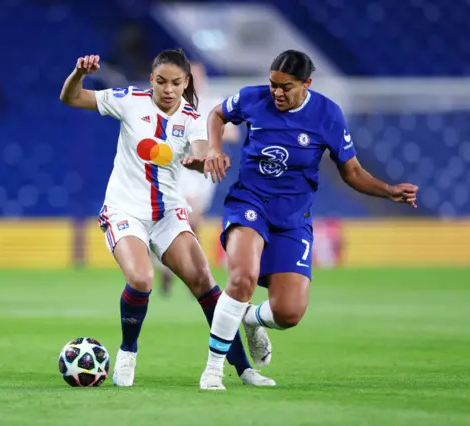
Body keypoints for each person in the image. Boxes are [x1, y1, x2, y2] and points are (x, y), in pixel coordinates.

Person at [199, 50, 419, 390]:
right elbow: (216, 114)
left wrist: (387, 190)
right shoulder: (251, 98)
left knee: (288, 313)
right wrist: (214, 149)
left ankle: (250, 318)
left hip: (292, 218)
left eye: (285, 87)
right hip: (249, 203)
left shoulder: (327, 114)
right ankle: (213, 369)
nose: (276, 93)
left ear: (307, 84)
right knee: (242, 278)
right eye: (273, 84)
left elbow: (352, 172)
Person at [60, 49, 272, 387]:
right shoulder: (129, 99)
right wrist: (79, 73)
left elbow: (201, 150)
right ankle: (128, 354)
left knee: (205, 283)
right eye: (161, 81)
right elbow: (71, 97)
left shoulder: (193, 117)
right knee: (142, 279)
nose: (168, 89)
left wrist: (203, 162)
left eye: (175, 82)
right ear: (151, 80)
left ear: (186, 83)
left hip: (168, 213)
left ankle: (244, 369)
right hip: (124, 210)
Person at [156, 61, 240, 296]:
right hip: (180, 168)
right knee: (189, 213)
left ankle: (170, 265)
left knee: (194, 220)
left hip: (205, 169)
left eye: (198, 77)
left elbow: (233, 132)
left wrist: (212, 134)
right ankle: (199, 277)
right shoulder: (173, 103)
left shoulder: (214, 103)